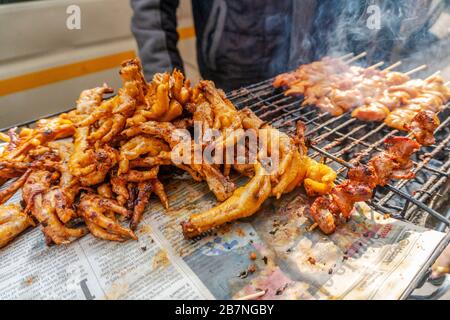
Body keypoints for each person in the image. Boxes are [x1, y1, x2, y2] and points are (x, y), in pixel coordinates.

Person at [131, 0, 447, 91]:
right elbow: (152, 6)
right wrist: (164, 86)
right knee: (239, 161)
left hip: (316, 68)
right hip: (236, 68)